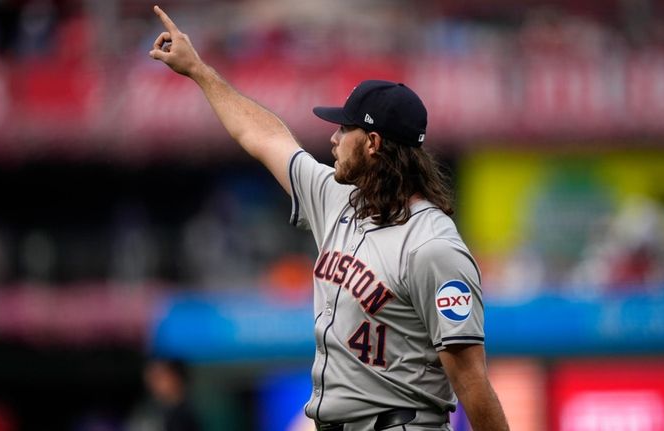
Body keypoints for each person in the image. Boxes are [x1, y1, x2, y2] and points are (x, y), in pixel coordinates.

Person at [149, 6, 509, 431]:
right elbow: (264, 136)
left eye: (345, 130)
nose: (334, 138)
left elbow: (471, 382)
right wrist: (199, 71)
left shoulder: (433, 247)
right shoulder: (337, 198)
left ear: (373, 143)